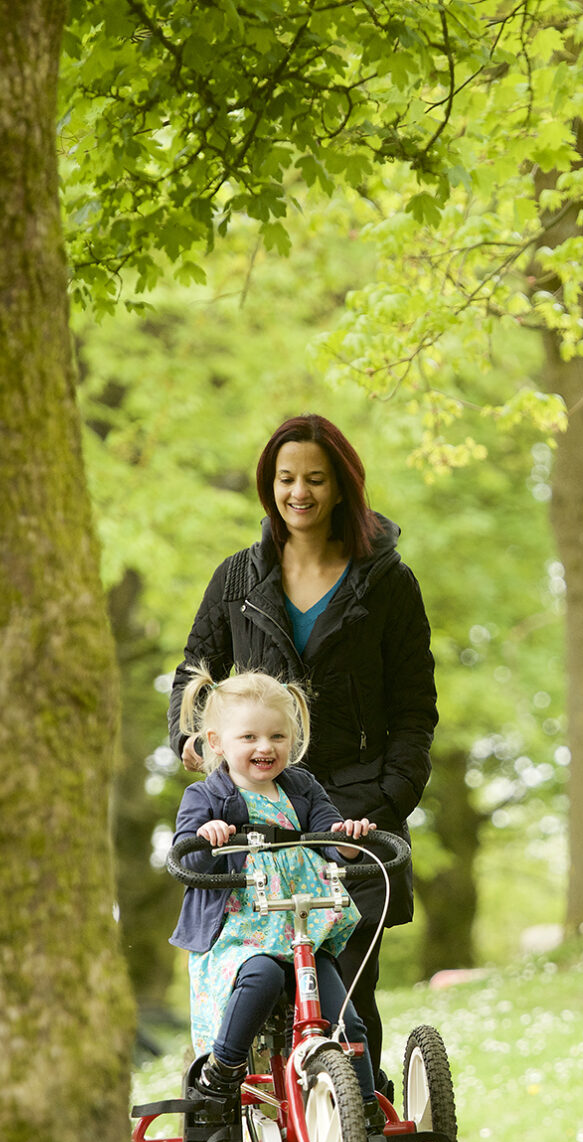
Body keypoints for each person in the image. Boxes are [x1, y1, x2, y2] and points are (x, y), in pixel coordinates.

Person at [169, 414, 437, 1100]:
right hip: (257, 821)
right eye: (286, 479)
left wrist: (388, 799)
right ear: (270, 486)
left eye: (315, 479)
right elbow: (193, 672)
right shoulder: (237, 579)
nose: (299, 493)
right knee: (265, 995)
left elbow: (414, 709)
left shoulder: (387, 584)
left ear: (342, 486)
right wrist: (195, 744)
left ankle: (362, 1141)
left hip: (353, 815)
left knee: (345, 987)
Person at [169, 667, 402, 1142]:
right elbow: (184, 855)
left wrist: (348, 838)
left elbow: (330, 838)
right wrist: (208, 840)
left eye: (276, 736)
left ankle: (365, 1129)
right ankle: (221, 1074)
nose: (264, 748)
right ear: (217, 745)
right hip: (243, 935)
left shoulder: (301, 789)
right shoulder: (210, 794)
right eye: (249, 738)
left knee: (347, 1023)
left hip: (304, 929)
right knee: (262, 980)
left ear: (292, 739)